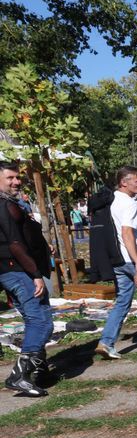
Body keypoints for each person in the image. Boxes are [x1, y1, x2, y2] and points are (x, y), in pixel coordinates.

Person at [0, 162, 52, 396]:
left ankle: (40, 369)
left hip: (17, 269)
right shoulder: (3, 205)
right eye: (10, 178)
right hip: (18, 271)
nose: (16, 182)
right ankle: (19, 376)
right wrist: (35, 274)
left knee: (36, 319)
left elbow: (23, 235)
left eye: (17, 177)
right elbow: (13, 242)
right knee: (41, 322)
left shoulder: (10, 203)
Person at [96, 166, 137, 360]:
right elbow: (127, 232)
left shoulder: (112, 200)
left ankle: (106, 342)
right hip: (130, 257)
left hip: (116, 258)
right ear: (124, 182)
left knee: (122, 302)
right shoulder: (129, 203)